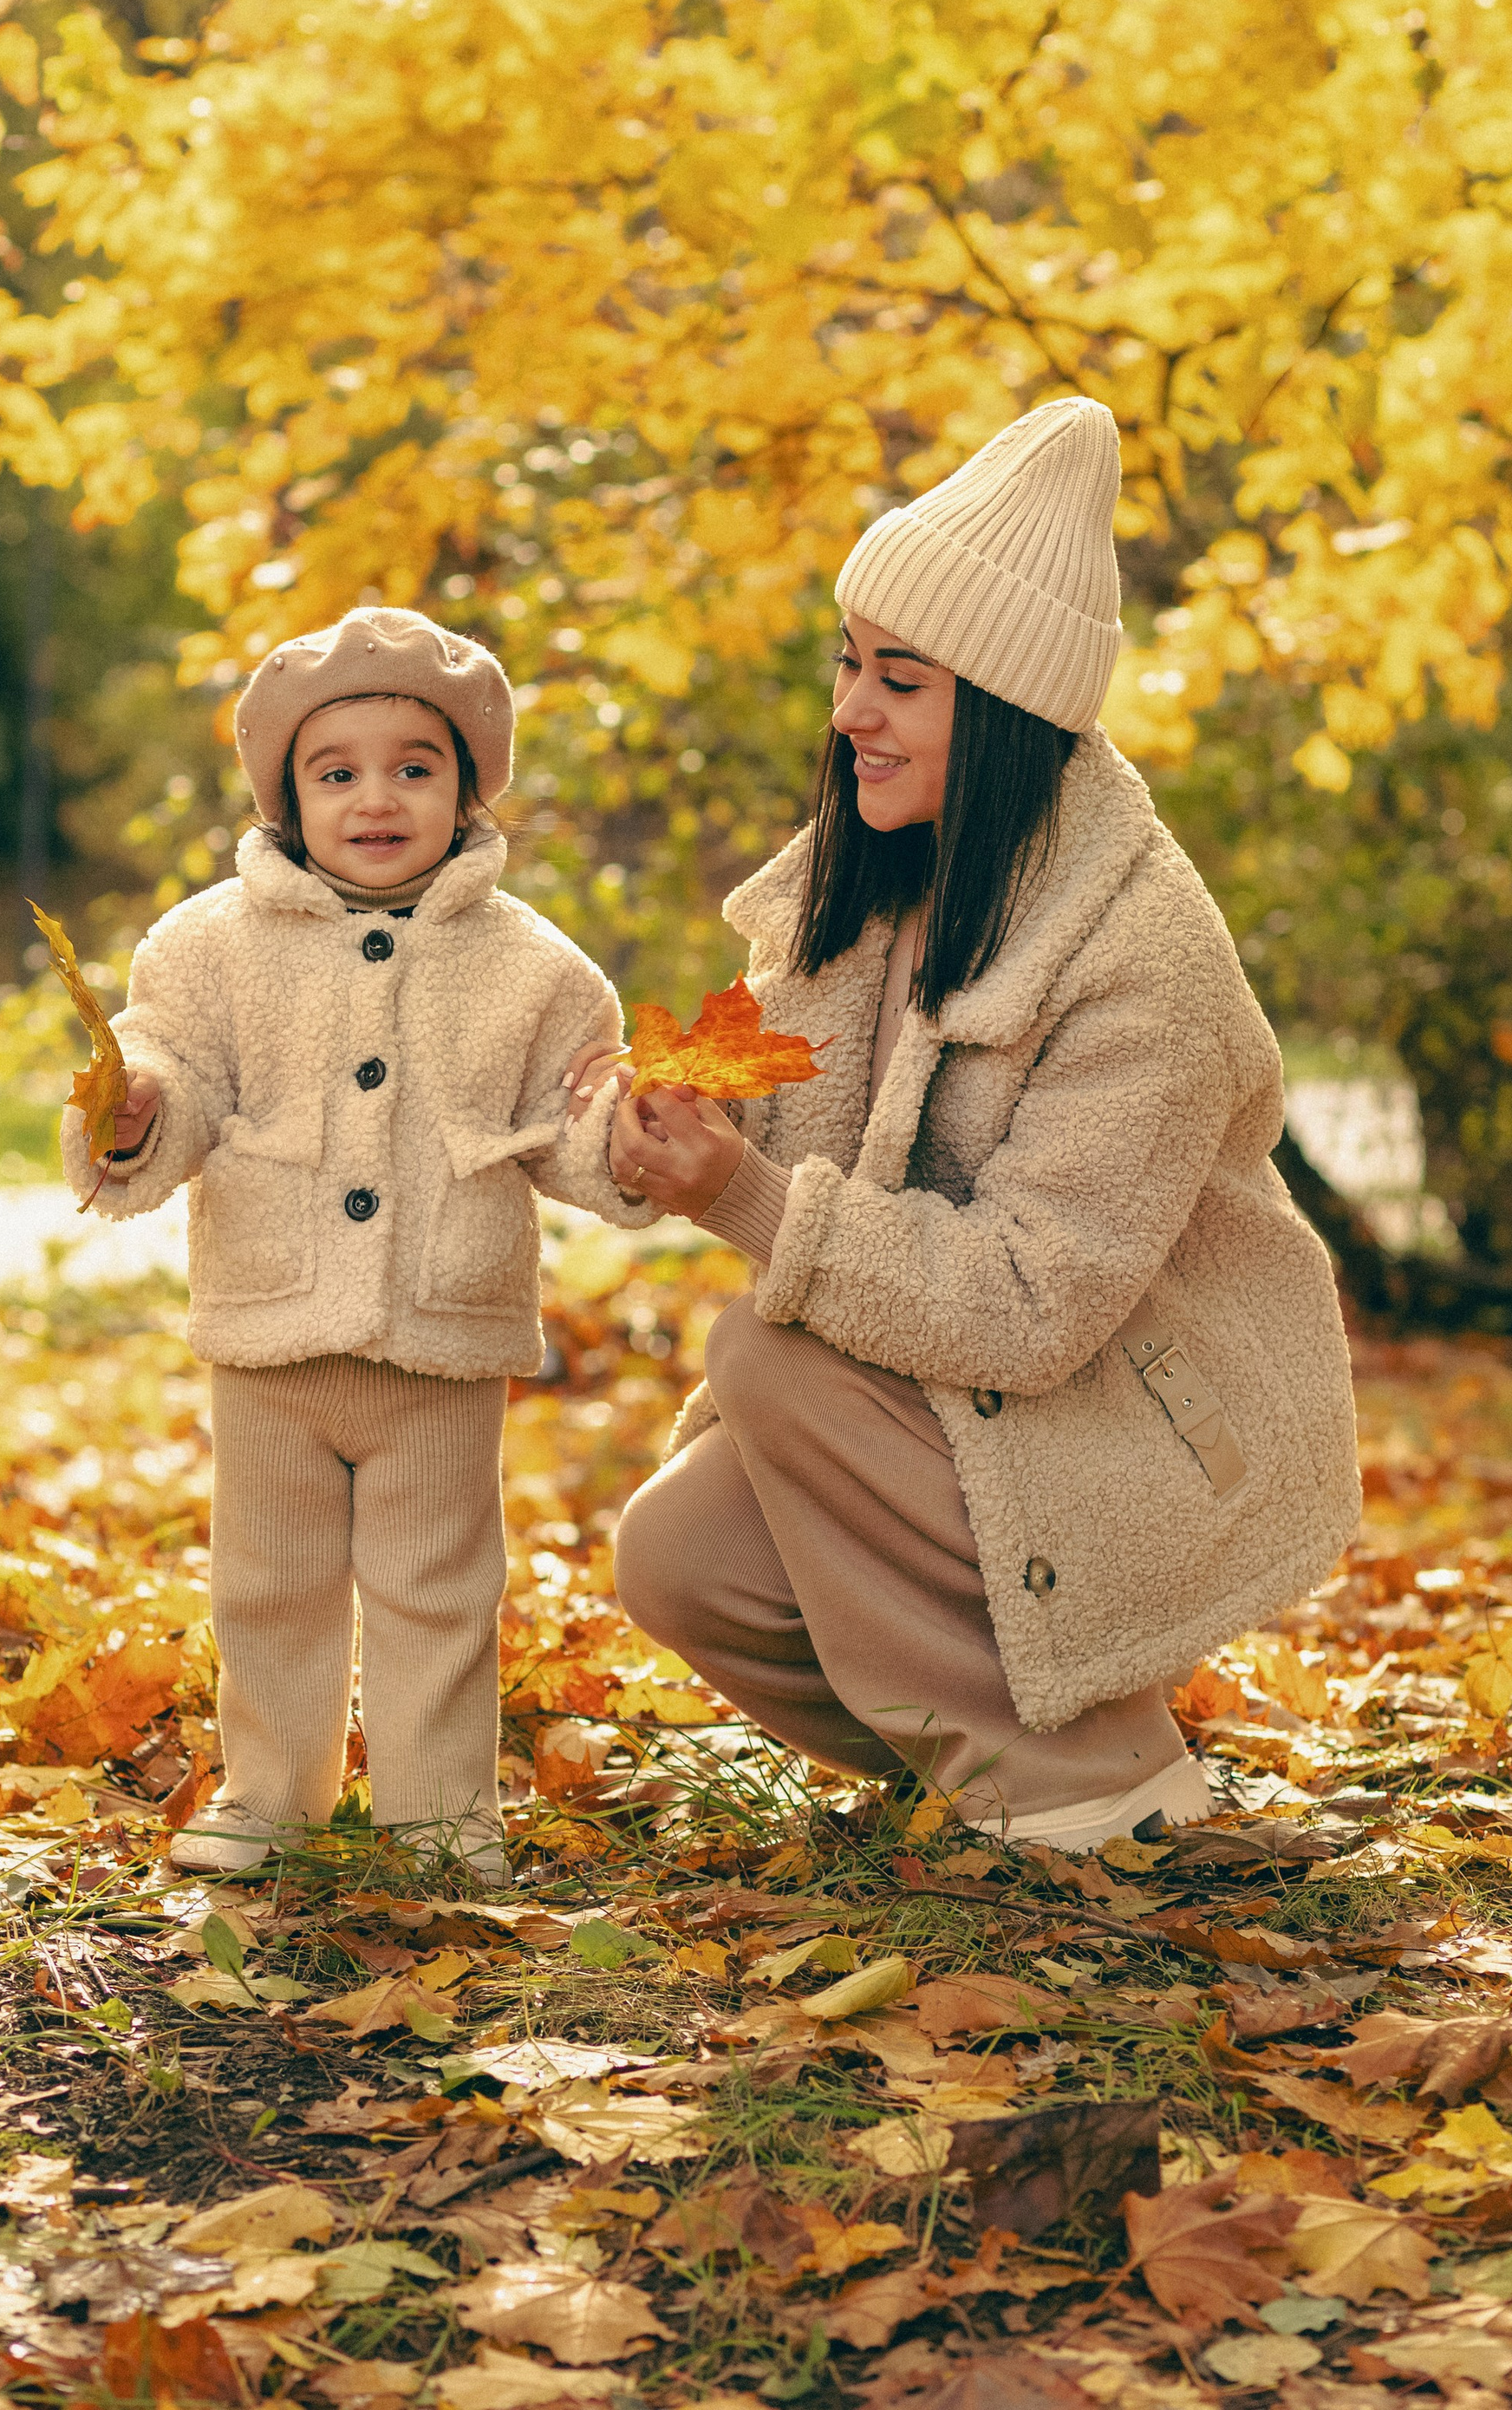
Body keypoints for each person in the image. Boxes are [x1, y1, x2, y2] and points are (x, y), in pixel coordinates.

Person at [568, 401, 1360, 1852]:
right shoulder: (872, 874)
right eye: (850, 663)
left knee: (764, 1350)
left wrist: (743, 1200)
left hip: (1143, 1428)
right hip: (957, 1410)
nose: (850, 712)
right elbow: (752, 1113)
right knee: (680, 1559)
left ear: (1000, 707)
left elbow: (1030, 1302)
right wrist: (629, 1135)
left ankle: (1106, 1786)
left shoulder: (1143, 955)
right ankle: (1003, 1774)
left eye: (901, 681)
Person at [65, 606, 643, 1878]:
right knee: (269, 1587)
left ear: (465, 786)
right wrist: (137, 1108)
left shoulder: (533, 967)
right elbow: (174, 1067)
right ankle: (275, 1793)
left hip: (440, 1337)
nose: (376, 798)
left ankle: (440, 1816)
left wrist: (631, 1131)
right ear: (288, 795)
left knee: (439, 1590)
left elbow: (571, 1123)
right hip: (270, 1330)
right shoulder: (208, 944)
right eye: (338, 773)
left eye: (414, 768)